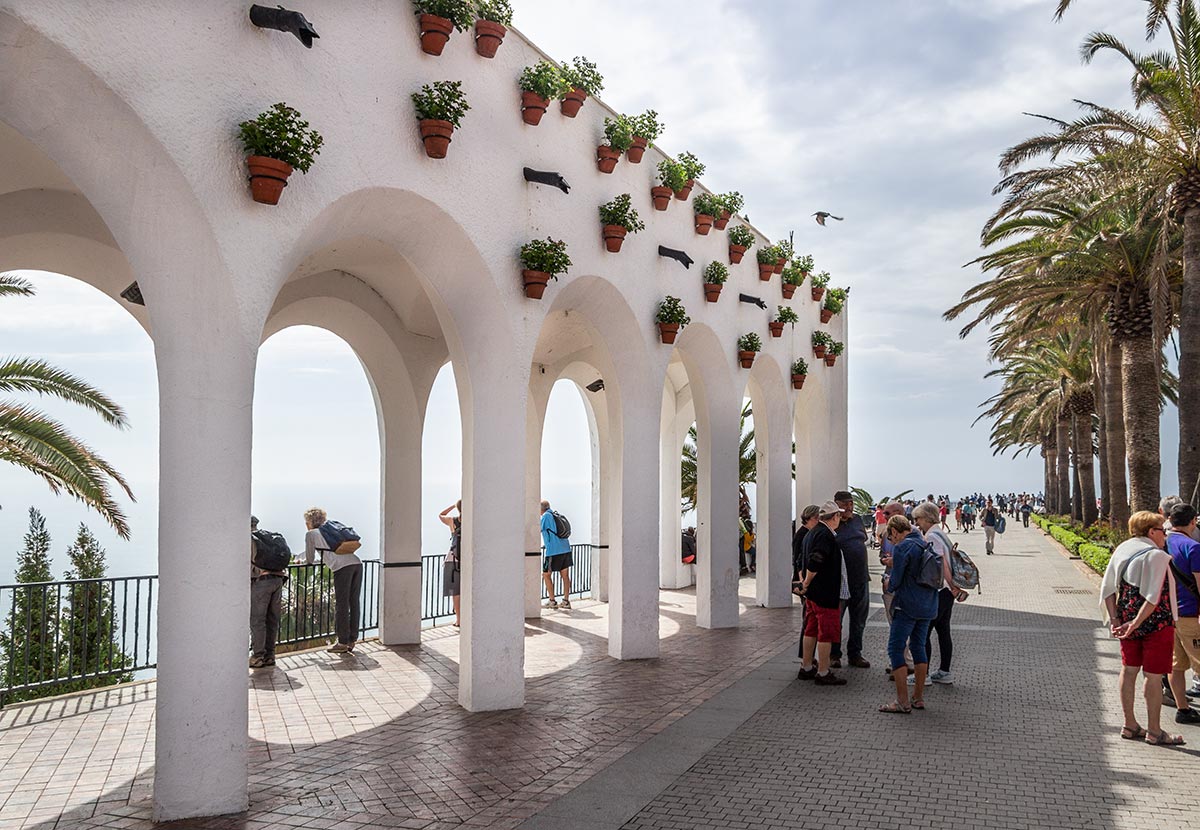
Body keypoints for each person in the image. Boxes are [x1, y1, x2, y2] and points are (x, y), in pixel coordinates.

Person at [1100, 511, 1185, 746]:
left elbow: (1107, 588)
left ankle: (1129, 725)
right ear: (1151, 532)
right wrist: (1135, 623)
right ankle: (1155, 731)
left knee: (1128, 671)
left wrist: (1118, 621)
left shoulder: (1124, 549)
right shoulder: (1156, 556)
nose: (1165, 536)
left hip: (1126, 622)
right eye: (1162, 531)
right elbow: (1152, 598)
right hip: (1156, 625)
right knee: (1153, 676)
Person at [880, 514, 938, 713]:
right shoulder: (923, 543)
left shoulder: (903, 547)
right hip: (928, 605)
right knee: (918, 646)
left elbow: (895, 581)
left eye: (891, 537)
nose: (892, 541)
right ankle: (918, 697)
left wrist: (888, 583)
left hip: (907, 606)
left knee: (895, 648)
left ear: (895, 531)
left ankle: (902, 701)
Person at [913, 502, 967, 685]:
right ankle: (944, 671)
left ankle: (923, 674)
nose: (916, 522)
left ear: (927, 518)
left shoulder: (932, 537)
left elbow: (941, 563)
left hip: (939, 591)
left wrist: (952, 585)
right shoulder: (941, 534)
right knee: (943, 631)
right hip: (946, 593)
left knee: (924, 632)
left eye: (918, 518)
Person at [796, 501, 847, 686]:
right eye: (839, 516)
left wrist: (805, 584)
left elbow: (804, 560)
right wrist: (807, 582)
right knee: (826, 632)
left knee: (810, 628)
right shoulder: (825, 535)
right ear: (834, 517)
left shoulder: (812, 533)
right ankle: (823, 671)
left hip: (813, 594)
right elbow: (815, 560)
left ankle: (807, 666)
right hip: (825, 593)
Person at [304, 507, 363, 654]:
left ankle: (342, 642)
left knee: (342, 604)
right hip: (356, 564)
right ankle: (352, 640)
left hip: (342, 568)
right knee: (354, 602)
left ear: (309, 522)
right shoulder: (329, 530)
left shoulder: (311, 534)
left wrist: (308, 561)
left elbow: (310, 559)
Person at [1164, 504, 1200, 723]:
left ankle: (1183, 709)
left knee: (1176, 666)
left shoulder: (1162, 544)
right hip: (1190, 615)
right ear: (1193, 521)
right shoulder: (1194, 547)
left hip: (1169, 615)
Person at [831, 490, 872, 669]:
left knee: (859, 620)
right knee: (836, 620)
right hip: (840, 581)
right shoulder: (833, 523)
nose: (849, 507)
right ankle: (834, 654)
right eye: (845, 504)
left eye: (851, 504)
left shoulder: (857, 520)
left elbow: (863, 538)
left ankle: (855, 654)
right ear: (836, 504)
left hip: (861, 578)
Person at [249, 515, 287, 669]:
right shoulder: (267, 537)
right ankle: (269, 655)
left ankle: (257, 656)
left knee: (258, 620)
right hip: (278, 579)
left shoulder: (249, 539)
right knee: (272, 619)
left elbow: (249, 562)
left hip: (261, 582)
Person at [540, 499, 573, 610]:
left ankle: (552, 601)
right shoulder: (555, 515)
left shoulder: (545, 517)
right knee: (565, 576)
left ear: (541, 509)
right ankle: (566, 601)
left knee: (546, 575)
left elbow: (537, 529)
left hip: (553, 551)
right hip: (565, 549)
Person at [438, 501, 463, 627]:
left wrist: (453, 506)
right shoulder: (470, 521)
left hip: (452, 560)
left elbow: (441, 515)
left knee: (456, 592)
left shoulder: (452, 521)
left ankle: (459, 619)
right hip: (467, 560)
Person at [792, 505, 820, 591]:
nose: (819, 521)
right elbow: (797, 557)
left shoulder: (809, 533)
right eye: (816, 518)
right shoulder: (802, 534)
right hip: (803, 576)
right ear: (807, 518)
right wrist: (801, 578)